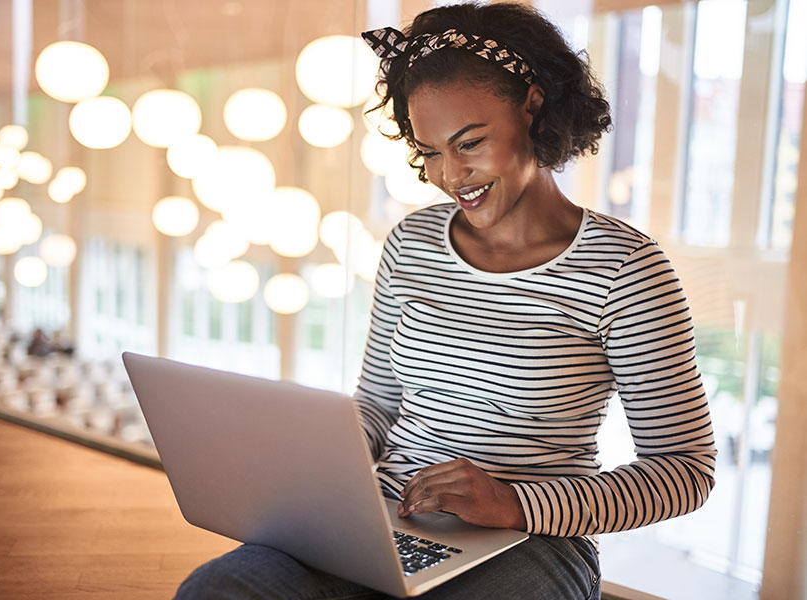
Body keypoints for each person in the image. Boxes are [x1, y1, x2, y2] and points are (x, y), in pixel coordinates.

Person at [175, 3, 716, 599]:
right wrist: (322, 469)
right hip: (386, 515)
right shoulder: (412, 242)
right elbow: (378, 404)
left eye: (470, 142)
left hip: (532, 541)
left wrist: (513, 502)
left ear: (532, 107)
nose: (451, 174)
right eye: (429, 151)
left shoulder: (624, 267)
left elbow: (685, 470)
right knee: (222, 588)